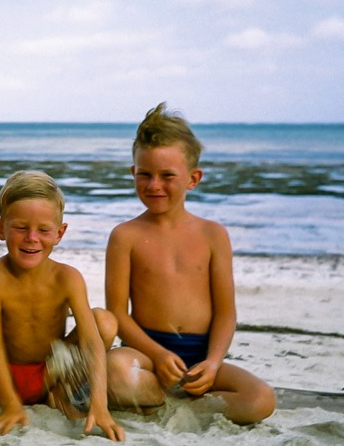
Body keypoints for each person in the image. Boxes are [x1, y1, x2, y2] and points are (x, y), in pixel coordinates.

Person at [104, 102, 276, 424]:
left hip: (200, 356)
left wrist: (213, 362)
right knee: (115, 369)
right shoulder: (124, 236)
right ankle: (159, 399)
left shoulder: (213, 235)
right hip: (146, 354)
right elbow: (116, 313)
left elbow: (225, 312)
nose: (154, 185)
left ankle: (185, 403)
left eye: (167, 175)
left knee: (262, 399)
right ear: (133, 174)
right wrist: (156, 354)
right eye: (145, 175)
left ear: (193, 178)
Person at [0, 171, 125, 441]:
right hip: (0, 377)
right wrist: (9, 402)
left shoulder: (67, 277)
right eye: (21, 227)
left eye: (44, 230)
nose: (32, 238)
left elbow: (93, 341)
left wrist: (100, 405)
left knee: (104, 321)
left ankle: (56, 396)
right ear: (0, 228)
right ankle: (9, 400)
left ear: (60, 233)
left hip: (52, 374)